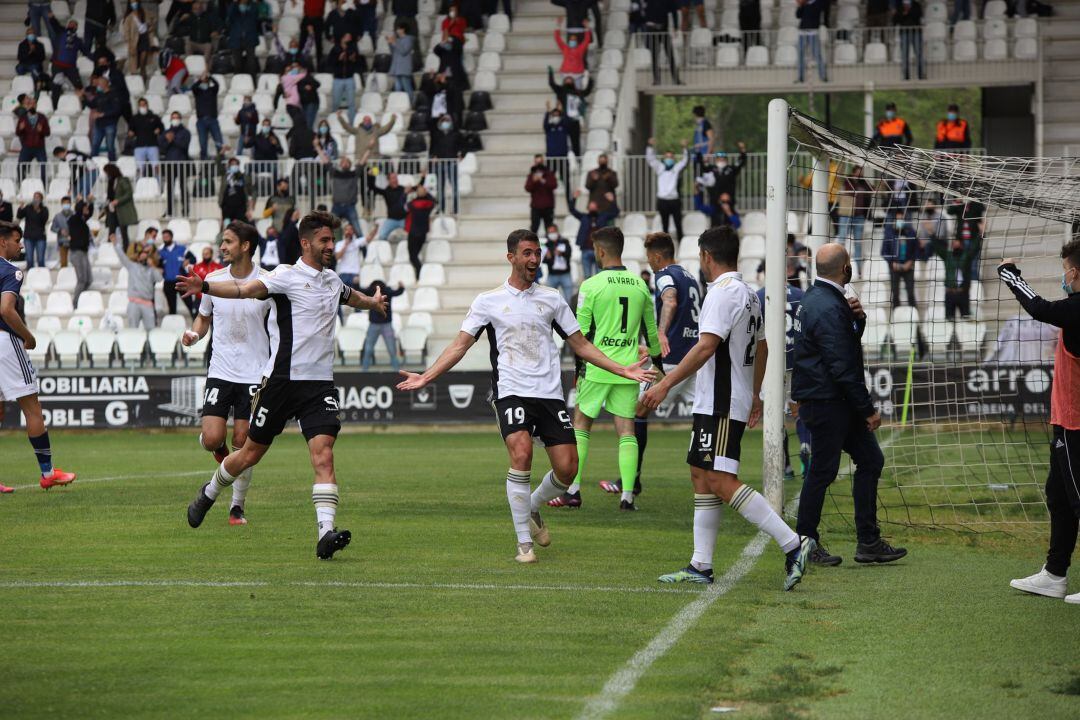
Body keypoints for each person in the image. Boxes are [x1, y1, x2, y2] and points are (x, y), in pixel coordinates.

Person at [397, 229, 654, 562]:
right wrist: (427, 376)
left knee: (568, 469)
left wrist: (622, 369)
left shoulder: (552, 298)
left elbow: (581, 345)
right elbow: (460, 345)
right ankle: (524, 544)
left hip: (548, 395)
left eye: (537, 253)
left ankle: (531, 506)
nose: (534, 259)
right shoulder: (487, 301)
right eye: (527, 253)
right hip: (511, 392)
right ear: (512, 257)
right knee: (521, 454)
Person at [178, 211, 389, 560]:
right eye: (324, 240)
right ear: (305, 243)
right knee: (248, 453)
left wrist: (373, 302)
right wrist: (207, 286)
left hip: (319, 387)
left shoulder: (332, 281)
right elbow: (245, 289)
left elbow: (352, 297)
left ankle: (325, 534)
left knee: (324, 455)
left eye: (332, 240)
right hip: (280, 382)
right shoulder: (286, 277)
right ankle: (209, 492)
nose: (330, 246)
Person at [642, 226, 816, 589]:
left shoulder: (722, 293)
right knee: (701, 476)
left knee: (720, 480)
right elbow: (764, 346)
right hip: (721, 399)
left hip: (720, 401)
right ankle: (700, 565)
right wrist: (754, 394)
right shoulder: (750, 294)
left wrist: (665, 384)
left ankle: (793, 543)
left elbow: (706, 347)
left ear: (706, 256)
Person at [791, 243, 906, 566]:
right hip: (830, 402)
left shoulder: (816, 300)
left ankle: (868, 541)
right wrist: (867, 408)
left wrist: (859, 320)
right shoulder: (829, 306)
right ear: (845, 269)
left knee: (870, 459)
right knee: (822, 472)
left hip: (828, 399)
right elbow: (842, 364)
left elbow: (841, 346)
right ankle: (805, 543)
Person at [556, 227, 662, 511]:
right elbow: (651, 334)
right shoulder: (640, 285)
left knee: (581, 425)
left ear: (600, 251)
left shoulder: (591, 286)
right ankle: (627, 497)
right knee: (627, 431)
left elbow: (580, 335)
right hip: (630, 368)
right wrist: (658, 364)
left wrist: (579, 371)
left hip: (598, 366)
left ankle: (574, 491)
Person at [1000, 243, 1080, 604]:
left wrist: (1010, 275)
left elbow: (1040, 308)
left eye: (1065, 269)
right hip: (1066, 420)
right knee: (1059, 496)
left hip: (1078, 423)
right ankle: (1054, 574)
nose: (1064, 276)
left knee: (1078, 499)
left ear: (1074, 272)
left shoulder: (1077, 308)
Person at [181, 223, 274, 527]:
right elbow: (203, 318)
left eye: (228, 242)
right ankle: (217, 453)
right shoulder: (212, 280)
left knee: (243, 441)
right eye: (222, 241)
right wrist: (195, 335)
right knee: (212, 439)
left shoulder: (266, 282)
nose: (222, 247)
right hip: (220, 370)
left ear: (245, 246)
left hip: (254, 373)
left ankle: (237, 507)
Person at [616, 232, 700, 498]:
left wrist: (661, 332)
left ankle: (631, 481)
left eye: (649, 258)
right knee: (706, 413)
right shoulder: (690, 276)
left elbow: (670, 300)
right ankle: (712, 471)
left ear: (656, 256)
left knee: (635, 413)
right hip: (694, 358)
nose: (649, 264)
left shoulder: (664, 274)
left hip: (672, 361)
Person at [0, 220, 78, 493]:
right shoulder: (11, 271)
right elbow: (7, 310)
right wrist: (28, 336)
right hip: (5, 344)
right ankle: (48, 473)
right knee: (32, 408)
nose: (21, 245)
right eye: (17, 240)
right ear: (2, 242)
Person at [115, 229, 162, 330]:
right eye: (142, 256)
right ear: (138, 258)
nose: (144, 257)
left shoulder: (151, 270)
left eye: (146, 256)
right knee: (133, 329)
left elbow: (159, 279)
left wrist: (153, 266)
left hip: (147, 303)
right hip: (134, 303)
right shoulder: (132, 266)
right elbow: (122, 257)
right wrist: (116, 245)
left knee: (151, 330)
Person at [568, 189, 619, 280]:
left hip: (599, 251)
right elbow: (572, 210)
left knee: (599, 277)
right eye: (590, 207)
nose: (592, 208)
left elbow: (615, 212)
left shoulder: (603, 217)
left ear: (597, 208)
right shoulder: (584, 217)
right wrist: (574, 198)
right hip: (585, 250)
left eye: (594, 206)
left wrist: (612, 201)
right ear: (588, 208)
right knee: (587, 277)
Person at [646, 138, 689, 241]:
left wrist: (684, 148)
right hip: (662, 200)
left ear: (674, 159)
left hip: (674, 200)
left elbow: (685, 160)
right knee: (665, 226)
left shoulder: (676, 168)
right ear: (663, 158)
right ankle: (666, 248)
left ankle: (681, 245)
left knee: (678, 224)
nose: (669, 159)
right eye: (667, 157)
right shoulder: (660, 167)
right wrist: (650, 146)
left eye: (671, 157)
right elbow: (650, 159)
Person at [360, 277, 405, 371]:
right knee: (369, 350)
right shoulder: (377, 291)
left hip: (384, 325)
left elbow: (398, 292)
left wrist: (401, 288)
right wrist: (401, 288)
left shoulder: (381, 291)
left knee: (391, 350)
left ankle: (397, 372)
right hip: (375, 324)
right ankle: (364, 372)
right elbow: (359, 291)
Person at [546, 68, 592, 158]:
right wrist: (551, 73)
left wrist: (590, 80)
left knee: (576, 142)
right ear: (564, 82)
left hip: (574, 121)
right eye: (566, 80)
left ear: (573, 83)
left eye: (570, 80)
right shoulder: (560, 90)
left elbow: (587, 91)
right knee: (561, 141)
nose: (568, 81)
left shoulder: (578, 92)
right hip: (563, 120)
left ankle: (578, 160)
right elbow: (552, 84)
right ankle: (565, 161)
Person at [836, 165, 872, 269]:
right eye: (858, 171)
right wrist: (842, 162)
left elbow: (872, 190)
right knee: (842, 240)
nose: (860, 174)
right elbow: (838, 176)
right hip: (846, 215)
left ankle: (859, 269)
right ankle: (839, 264)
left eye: (861, 172)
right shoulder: (847, 179)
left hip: (859, 216)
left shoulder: (864, 182)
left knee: (858, 243)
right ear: (853, 171)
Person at [159, 111, 192, 218]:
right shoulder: (166, 132)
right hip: (170, 164)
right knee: (170, 188)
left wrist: (173, 139)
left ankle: (186, 210)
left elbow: (184, 146)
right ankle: (169, 211)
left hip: (182, 163)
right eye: (173, 117)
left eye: (177, 117)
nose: (175, 119)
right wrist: (168, 141)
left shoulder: (185, 132)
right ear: (170, 119)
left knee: (183, 187)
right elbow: (162, 148)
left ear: (180, 119)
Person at [697, 143, 747, 212]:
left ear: (726, 159)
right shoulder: (712, 168)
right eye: (719, 158)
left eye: (723, 158)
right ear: (716, 160)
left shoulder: (731, 169)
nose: (721, 159)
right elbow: (702, 164)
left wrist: (742, 149)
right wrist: (699, 151)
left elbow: (741, 162)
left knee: (729, 219)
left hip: (729, 200)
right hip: (715, 201)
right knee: (715, 219)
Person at [883, 216, 918, 309]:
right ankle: (895, 314)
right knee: (895, 294)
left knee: (911, 292)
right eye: (898, 219)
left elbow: (916, 250)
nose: (900, 221)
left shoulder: (911, 233)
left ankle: (914, 315)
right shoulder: (889, 234)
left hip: (909, 267)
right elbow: (884, 252)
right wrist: (892, 263)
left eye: (902, 218)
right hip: (894, 268)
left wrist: (910, 261)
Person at [325, 34, 362, 123]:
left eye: (350, 36)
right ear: (342, 38)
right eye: (347, 36)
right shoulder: (335, 49)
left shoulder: (353, 48)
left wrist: (353, 60)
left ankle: (351, 123)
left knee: (351, 103)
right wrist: (339, 58)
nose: (349, 38)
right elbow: (330, 62)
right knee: (336, 103)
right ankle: (333, 121)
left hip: (349, 78)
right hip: (338, 78)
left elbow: (359, 62)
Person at [160, 229, 197, 317]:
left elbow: (194, 259)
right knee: (172, 308)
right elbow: (158, 265)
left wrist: (188, 260)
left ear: (171, 237)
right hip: (168, 282)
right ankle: (173, 328)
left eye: (167, 236)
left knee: (190, 305)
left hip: (181, 280)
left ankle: (197, 324)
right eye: (164, 237)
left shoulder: (182, 249)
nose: (165, 238)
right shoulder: (161, 252)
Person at [429, 115, 462, 214]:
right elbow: (432, 147)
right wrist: (433, 156)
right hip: (440, 163)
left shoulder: (455, 134)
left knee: (454, 187)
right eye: (443, 120)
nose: (445, 122)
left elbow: (463, 146)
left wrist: (461, 155)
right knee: (440, 187)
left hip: (452, 163)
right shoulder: (436, 134)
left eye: (447, 120)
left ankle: (455, 209)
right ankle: (441, 208)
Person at [643, 0, 680, 84]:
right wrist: (647, 22)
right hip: (652, 30)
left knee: (670, 55)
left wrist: (676, 26)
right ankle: (656, 80)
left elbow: (674, 11)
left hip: (664, 29)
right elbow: (643, 10)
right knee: (654, 56)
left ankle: (676, 79)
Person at [68, 196, 95, 305]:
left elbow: (89, 214)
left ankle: (82, 301)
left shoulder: (82, 220)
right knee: (82, 279)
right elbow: (79, 216)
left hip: (83, 252)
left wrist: (90, 203)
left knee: (89, 279)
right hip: (76, 253)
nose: (87, 210)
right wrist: (80, 202)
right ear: (81, 209)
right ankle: (76, 303)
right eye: (85, 208)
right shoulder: (74, 219)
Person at [406, 183, 437, 276]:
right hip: (422, 233)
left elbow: (406, 205)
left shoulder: (412, 203)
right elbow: (435, 201)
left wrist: (415, 189)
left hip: (413, 233)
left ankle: (420, 271)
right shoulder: (429, 204)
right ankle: (419, 272)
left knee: (412, 257)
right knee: (415, 256)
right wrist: (426, 193)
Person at [104, 163, 137, 250]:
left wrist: (118, 201)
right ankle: (110, 250)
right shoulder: (110, 182)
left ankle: (126, 250)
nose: (106, 175)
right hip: (112, 210)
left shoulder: (123, 180)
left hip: (121, 210)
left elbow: (128, 193)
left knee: (123, 232)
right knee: (111, 231)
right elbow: (110, 196)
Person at [15, 100, 49, 183]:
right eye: (30, 104)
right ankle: (21, 185)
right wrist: (20, 129)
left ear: (36, 105)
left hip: (39, 147)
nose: (32, 106)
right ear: (27, 106)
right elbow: (17, 133)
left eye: (34, 104)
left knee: (43, 166)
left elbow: (47, 133)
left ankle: (43, 186)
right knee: (20, 167)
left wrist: (41, 131)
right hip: (27, 147)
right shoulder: (23, 118)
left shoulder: (42, 117)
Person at [192, 72, 224, 160]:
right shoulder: (198, 92)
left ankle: (221, 163)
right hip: (201, 121)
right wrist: (200, 79)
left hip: (213, 120)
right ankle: (204, 165)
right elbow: (193, 87)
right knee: (203, 145)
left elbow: (217, 84)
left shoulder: (212, 91)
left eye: (206, 81)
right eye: (204, 81)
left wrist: (210, 77)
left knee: (219, 143)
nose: (205, 82)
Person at [129, 97, 164, 177]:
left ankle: (158, 186)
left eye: (144, 104)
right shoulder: (134, 118)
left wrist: (159, 130)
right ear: (138, 106)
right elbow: (131, 131)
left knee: (156, 168)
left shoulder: (154, 117)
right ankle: (139, 186)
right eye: (140, 105)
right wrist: (130, 133)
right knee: (139, 169)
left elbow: (162, 128)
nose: (142, 106)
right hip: (139, 146)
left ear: (147, 105)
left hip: (152, 145)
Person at [553, 17, 591, 89]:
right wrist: (558, 25)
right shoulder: (565, 48)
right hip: (565, 74)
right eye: (571, 40)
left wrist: (587, 27)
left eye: (574, 40)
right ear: (569, 41)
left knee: (578, 93)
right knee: (565, 94)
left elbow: (587, 40)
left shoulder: (580, 49)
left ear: (576, 42)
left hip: (577, 75)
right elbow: (557, 38)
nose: (572, 41)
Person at [795, 0, 827, 83]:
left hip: (813, 31)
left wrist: (808, 3)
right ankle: (800, 77)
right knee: (800, 55)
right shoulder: (804, 4)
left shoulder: (818, 2)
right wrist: (801, 5)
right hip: (802, 32)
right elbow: (798, 15)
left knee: (816, 54)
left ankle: (823, 76)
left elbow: (818, 10)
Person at [525, 155, 558, 235]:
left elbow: (554, 185)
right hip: (536, 206)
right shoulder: (531, 175)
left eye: (540, 162)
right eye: (537, 162)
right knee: (534, 227)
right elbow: (527, 188)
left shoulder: (549, 173)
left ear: (543, 162)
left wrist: (543, 180)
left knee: (549, 227)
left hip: (548, 206)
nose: (539, 164)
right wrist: (534, 181)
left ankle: (550, 246)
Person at [225, 0, 260, 75]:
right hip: (236, 39)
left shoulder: (253, 6)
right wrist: (234, 3)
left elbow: (255, 17)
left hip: (250, 38)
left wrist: (247, 8)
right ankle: (237, 83)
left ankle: (253, 83)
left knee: (251, 64)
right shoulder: (233, 6)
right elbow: (230, 15)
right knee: (237, 65)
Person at [330, 156, 363, 238]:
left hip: (350, 207)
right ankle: (327, 249)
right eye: (343, 162)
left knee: (357, 229)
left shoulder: (354, 174)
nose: (345, 163)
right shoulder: (335, 173)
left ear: (350, 165)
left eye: (347, 162)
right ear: (340, 164)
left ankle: (364, 249)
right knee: (328, 228)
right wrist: (317, 147)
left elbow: (361, 163)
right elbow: (327, 163)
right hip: (336, 206)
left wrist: (369, 149)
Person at [542, 224, 574, 303]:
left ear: (557, 232)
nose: (552, 234)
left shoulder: (565, 242)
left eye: (553, 231)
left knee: (569, 299)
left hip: (565, 275)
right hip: (552, 275)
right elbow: (543, 260)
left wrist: (561, 253)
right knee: (550, 300)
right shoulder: (546, 244)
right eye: (550, 232)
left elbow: (569, 254)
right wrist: (548, 257)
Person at [894, 0, 925, 81]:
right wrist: (903, 14)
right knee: (904, 55)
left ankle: (921, 74)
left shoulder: (916, 5)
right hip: (904, 33)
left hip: (916, 32)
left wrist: (908, 12)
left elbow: (918, 15)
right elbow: (895, 20)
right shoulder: (899, 6)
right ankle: (906, 75)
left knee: (919, 53)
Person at [543, 105, 571, 191]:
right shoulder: (549, 128)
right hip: (551, 157)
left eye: (557, 115)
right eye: (554, 115)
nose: (556, 117)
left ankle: (570, 202)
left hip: (563, 157)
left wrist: (562, 111)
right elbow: (545, 124)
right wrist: (547, 112)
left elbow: (566, 121)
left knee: (566, 180)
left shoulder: (563, 127)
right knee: (548, 180)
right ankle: (546, 200)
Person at [16, 193, 48, 269]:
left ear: (41, 199)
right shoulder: (28, 207)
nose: (36, 199)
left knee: (40, 260)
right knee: (29, 260)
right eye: (35, 197)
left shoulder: (44, 209)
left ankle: (42, 277)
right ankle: (31, 278)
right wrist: (20, 207)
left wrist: (38, 210)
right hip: (28, 237)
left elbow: (44, 220)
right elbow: (19, 216)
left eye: (38, 197)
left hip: (40, 237)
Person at [373, 174, 408, 239]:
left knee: (415, 235)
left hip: (404, 219)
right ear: (388, 180)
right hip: (391, 219)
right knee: (382, 237)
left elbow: (418, 189)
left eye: (396, 178)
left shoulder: (403, 189)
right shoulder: (386, 191)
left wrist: (423, 177)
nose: (395, 180)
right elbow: (373, 187)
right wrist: (371, 175)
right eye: (393, 178)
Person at [219, 155, 251, 224]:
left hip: (240, 208)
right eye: (232, 164)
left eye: (236, 164)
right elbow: (218, 164)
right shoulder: (225, 176)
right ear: (229, 166)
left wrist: (248, 208)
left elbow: (248, 191)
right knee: (227, 228)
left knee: (239, 228)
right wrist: (221, 154)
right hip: (227, 208)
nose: (234, 166)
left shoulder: (243, 177)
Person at [388, 22, 415, 94]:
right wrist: (390, 43)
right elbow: (393, 52)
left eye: (398, 29)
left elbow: (404, 51)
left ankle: (410, 103)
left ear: (403, 30)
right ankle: (399, 103)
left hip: (404, 68)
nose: (397, 31)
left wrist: (394, 43)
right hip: (397, 67)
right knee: (397, 89)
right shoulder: (397, 40)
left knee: (407, 87)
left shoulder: (408, 39)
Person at [50, 196, 74, 268]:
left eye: (68, 203)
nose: (66, 205)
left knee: (74, 263)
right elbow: (52, 228)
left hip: (74, 241)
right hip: (62, 242)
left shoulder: (75, 214)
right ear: (61, 204)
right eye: (64, 203)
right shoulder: (57, 216)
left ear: (70, 204)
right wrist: (60, 231)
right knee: (63, 263)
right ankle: (64, 277)